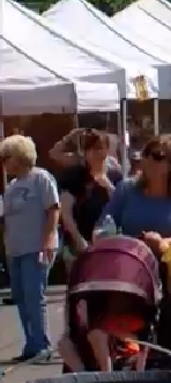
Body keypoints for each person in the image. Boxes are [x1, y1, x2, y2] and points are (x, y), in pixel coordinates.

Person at [101, 136, 171, 369]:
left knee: (162, 343)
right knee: (135, 342)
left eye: (157, 156)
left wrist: (165, 243)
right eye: (146, 154)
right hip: (133, 277)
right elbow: (106, 221)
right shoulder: (126, 189)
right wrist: (102, 233)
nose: (148, 160)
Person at [0, 135, 60, 362]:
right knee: (21, 297)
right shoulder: (12, 186)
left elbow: (53, 209)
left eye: (7, 156)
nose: (4, 162)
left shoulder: (41, 178)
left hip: (36, 247)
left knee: (35, 296)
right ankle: (31, 345)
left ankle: (42, 345)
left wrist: (47, 239)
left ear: (19, 156)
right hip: (14, 249)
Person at [58, 131, 124, 269]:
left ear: (107, 150)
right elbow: (66, 215)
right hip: (78, 245)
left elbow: (122, 207)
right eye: (90, 148)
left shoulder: (116, 176)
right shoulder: (74, 176)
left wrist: (108, 187)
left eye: (99, 147)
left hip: (109, 245)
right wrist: (80, 242)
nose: (94, 153)